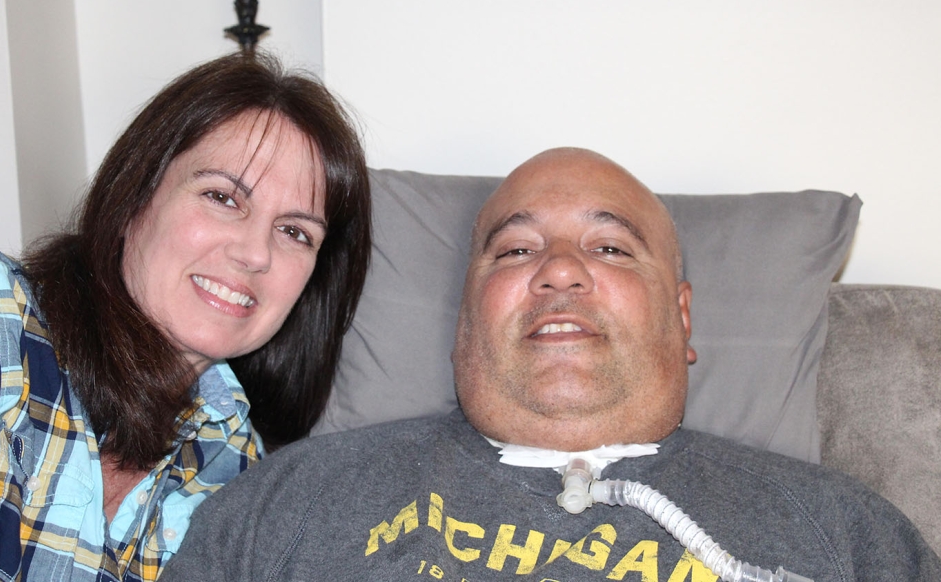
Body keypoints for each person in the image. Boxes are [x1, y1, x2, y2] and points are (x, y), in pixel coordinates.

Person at [160, 148, 941, 581]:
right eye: (516, 249)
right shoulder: (286, 504)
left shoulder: (846, 534)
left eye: (607, 248)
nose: (558, 272)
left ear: (680, 316)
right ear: (466, 320)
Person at [0, 52, 370, 581]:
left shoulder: (240, 471)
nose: (256, 253)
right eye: (222, 197)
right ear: (134, 197)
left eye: (295, 232)